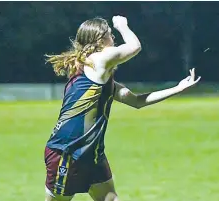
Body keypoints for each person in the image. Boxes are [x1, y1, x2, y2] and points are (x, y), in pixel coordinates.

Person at [44, 16, 201, 201]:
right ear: (100, 40)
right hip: (67, 153)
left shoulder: (102, 79)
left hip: (92, 154)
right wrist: (122, 25)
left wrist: (178, 88)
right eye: (111, 35)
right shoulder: (97, 60)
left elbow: (137, 101)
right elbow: (134, 47)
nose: (114, 39)